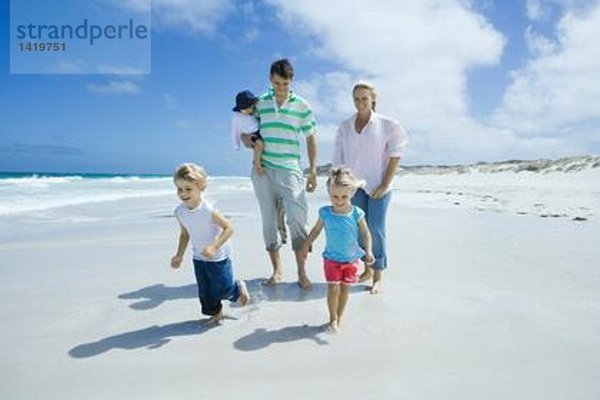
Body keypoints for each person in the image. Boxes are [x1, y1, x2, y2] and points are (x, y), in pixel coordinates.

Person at [332, 81, 408, 294]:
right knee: (357, 229)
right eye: (356, 99)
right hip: (353, 187)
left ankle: (378, 276)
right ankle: (366, 269)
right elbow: (338, 157)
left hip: (378, 186)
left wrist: (384, 184)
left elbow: (395, 155)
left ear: (373, 99)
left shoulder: (387, 125)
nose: (360, 103)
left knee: (375, 228)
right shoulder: (345, 126)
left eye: (364, 98)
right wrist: (337, 183)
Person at [252, 58, 318, 290]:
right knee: (269, 220)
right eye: (278, 83)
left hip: (291, 169)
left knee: (297, 220)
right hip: (263, 171)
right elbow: (246, 129)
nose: (281, 88)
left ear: (291, 81)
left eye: (285, 84)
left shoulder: (302, 105)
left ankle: (302, 271)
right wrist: (249, 143)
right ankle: (277, 270)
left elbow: (311, 138)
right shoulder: (259, 103)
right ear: (270, 78)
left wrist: (312, 171)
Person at [170, 163, 250, 325]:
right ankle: (217, 313)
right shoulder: (180, 212)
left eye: (188, 189)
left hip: (218, 256)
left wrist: (214, 246)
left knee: (222, 288)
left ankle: (238, 288)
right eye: (179, 189)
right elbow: (185, 234)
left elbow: (229, 228)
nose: (183, 193)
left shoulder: (208, 210)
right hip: (198, 256)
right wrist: (179, 255)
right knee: (205, 292)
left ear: (200, 188)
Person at [301, 168, 374, 332]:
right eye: (334, 196)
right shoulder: (325, 212)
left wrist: (368, 251)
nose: (339, 200)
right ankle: (332, 318)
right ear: (329, 193)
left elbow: (366, 233)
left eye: (344, 197)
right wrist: (306, 244)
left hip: (351, 260)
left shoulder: (356, 213)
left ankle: (339, 316)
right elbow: (315, 230)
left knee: (345, 290)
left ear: (351, 194)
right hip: (331, 259)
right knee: (333, 289)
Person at [231, 90, 288, 244]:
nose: (250, 109)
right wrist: (238, 143)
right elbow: (237, 133)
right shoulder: (241, 117)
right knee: (270, 212)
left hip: (281, 165)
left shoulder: (256, 112)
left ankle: (282, 234)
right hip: (264, 163)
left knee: (281, 209)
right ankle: (257, 163)